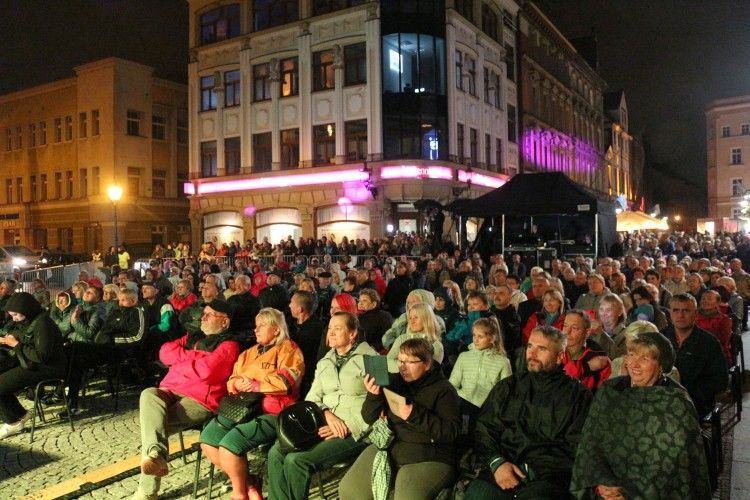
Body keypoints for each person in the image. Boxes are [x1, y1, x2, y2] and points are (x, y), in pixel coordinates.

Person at [570, 331, 711, 499]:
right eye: (631, 355)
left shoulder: (675, 402)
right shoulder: (610, 391)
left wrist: (629, 494)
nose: (634, 365)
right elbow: (590, 443)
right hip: (606, 489)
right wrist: (602, 483)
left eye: (644, 359)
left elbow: (675, 465)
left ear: (661, 366)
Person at [464, 325, 592, 499]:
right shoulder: (509, 386)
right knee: (479, 495)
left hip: (547, 478)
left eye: (542, 349)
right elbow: (484, 429)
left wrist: (532, 470)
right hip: (502, 468)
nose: (532, 354)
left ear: (560, 356)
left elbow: (578, 447)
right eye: (530, 346)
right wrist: (497, 463)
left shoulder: (578, 395)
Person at [133, 300, 241, 500]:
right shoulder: (193, 336)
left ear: (224, 322)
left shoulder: (229, 344)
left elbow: (208, 371)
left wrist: (181, 360)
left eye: (210, 314)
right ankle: (155, 456)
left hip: (199, 399)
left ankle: (148, 490)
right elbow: (165, 352)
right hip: (171, 390)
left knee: (153, 428)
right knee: (148, 394)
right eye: (204, 313)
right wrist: (195, 357)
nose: (203, 317)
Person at [266, 312, 377, 500]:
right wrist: (326, 413)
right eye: (330, 328)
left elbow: (383, 405)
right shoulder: (325, 360)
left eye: (338, 328)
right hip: (323, 423)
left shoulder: (374, 359)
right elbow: (312, 397)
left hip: (357, 431)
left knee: (296, 460)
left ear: (352, 334)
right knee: (276, 452)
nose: (331, 333)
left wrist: (349, 426)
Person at [200, 308, 304, 500]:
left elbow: (286, 382)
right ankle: (249, 483)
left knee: (229, 445)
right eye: (256, 326)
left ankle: (240, 494)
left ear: (276, 329)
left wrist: (255, 385)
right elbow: (232, 379)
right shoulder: (249, 352)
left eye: (262, 325)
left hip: (273, 412)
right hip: (241, 409)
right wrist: (237, 383)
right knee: (208, 439)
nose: (256, 330)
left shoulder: (289, 349)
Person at [339, 338, 461, 500]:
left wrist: (414, 414)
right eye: (400, 360)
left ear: (427, 364)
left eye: (409, 362)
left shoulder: (444, 390)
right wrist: (374, 395)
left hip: (427, 455)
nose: (402, 367)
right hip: (389, 446)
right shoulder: (395, 381)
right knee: (350, 490)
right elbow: (368, 418)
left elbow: (450, 433)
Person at [0, 292, 68, 438]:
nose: (14, 318)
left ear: (26, 310)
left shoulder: (43, 324)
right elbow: (20, 334)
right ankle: (19, 414)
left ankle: (14, 421)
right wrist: (10, 339)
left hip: (47, 368)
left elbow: (41, 356)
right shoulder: (27, 320)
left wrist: (16, 344)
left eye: (16, 315)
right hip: (30, 363)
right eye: (12, 315)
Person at [661, 293, 728, 416]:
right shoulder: (660, 338)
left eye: (686, 310)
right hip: (662, 401)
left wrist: (693, 393)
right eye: (675, 310)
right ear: (670, 314)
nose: (680, 315)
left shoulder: (709, 342)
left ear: (696, 314)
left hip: (695, 405)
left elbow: (721, 380)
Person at [449, 317, 512, 428]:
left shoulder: (503, 362)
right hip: (463, 405)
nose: (475, 340)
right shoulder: (464, 356)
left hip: (487, 410)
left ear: (492, 338)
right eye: (474, 335)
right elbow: (452, 384)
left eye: (480, 336)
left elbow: (505, 392)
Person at [561, 310, 611, 391]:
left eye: (574, 328)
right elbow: (551, 381)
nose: (567, 332)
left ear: (587, 332)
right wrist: (587, 367)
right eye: (565, 326)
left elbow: (604, 395)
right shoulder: (554, 349)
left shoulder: (600, 359)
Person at [386, 303, 444, 371]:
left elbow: (432, 371)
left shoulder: (436, 345)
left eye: (416, 317)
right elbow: (389, 360)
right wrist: (405, 371)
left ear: (426, 318)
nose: (412, 321)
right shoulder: (402, 339)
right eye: (410, 318)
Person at [288, 290, 324, 397]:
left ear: (300, 309)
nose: (289, 305)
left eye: (292, 302)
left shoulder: (315, 329)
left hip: (307, 377)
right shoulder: (291, 323)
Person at [356, 288, 393, 353]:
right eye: (359, 300)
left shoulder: (384, 316)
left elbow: (387, 338)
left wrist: (373, 348)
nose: (360, 303)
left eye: (364, 300)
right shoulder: (357, 316)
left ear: (374, 304)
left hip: (376, 352)